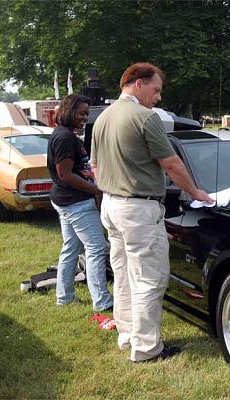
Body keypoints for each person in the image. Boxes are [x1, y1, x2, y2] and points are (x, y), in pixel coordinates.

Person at [91, 62, 213, 363]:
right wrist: (197, 193)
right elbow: (171, 164)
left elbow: (94, 166)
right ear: (137, 83)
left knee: (122, 273)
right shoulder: (145, 118)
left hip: (110, 204)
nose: (158, 98)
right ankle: (146, 349)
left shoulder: (102, 118)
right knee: (150, 277)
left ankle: (128, 334)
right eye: (156, 90)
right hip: (138, 208)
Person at [47, 94, 113, 312]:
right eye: (81, 113)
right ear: (68, 111)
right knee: (96, 247)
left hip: (65, 199)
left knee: (71, 247)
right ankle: (102, 301)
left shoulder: (65, 134)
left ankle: (64, 296)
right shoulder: (65, 138)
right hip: (75, 202)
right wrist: (96, 190)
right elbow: (65, 174)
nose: (85, 117)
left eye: (87, 113)